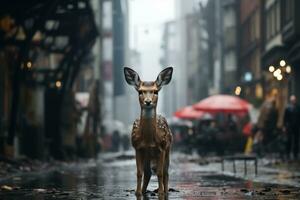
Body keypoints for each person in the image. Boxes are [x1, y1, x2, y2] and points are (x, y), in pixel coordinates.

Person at [283, 95, 300, 160]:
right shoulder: (288, 108)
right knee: (289, 140)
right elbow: (285, 118)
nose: (293, 101)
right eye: (292, 100)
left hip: (296, 126)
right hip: (289, 127)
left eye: (294, 100)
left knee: (296, 141)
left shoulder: (298, 108)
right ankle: (288, 153)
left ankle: (295, 154)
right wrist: (284, 126)